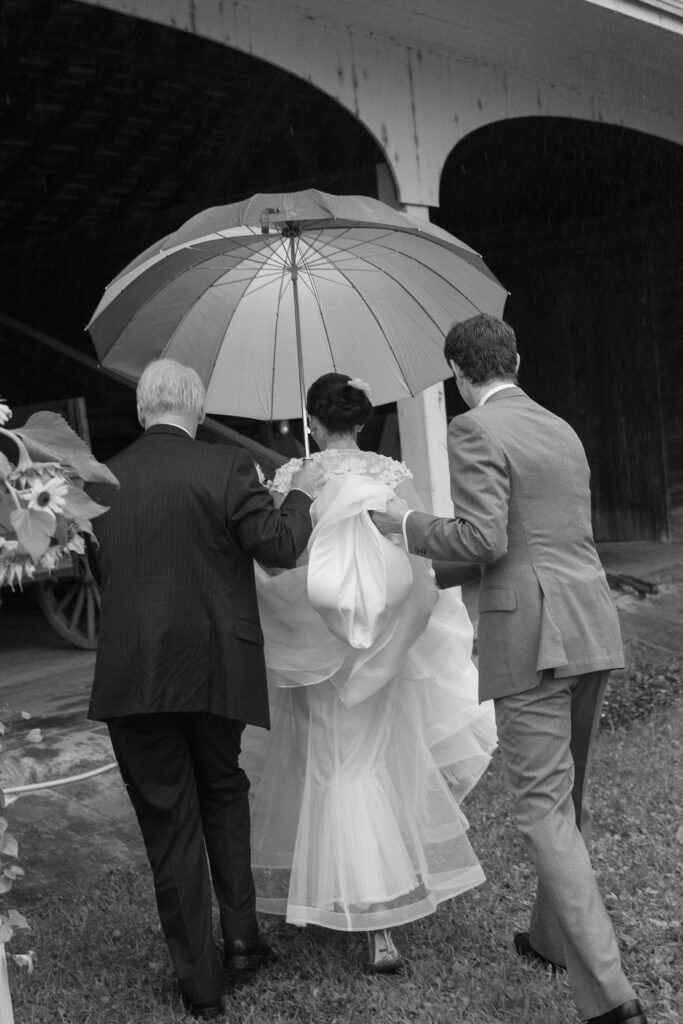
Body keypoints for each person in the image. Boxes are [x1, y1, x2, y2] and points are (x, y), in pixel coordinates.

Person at [372, 314, 647, 1024]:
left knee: (543, 813)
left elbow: (485, 537)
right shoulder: (559, 427)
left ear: (458, 377)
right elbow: (527, 536)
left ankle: (612, 1000)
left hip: (530, 642)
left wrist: (406, 526)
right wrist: (443, 564)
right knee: (567, 799)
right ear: (516, 360)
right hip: (588, 626)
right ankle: (552, 940)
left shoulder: (473, 430)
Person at [88, 358, 323, 1021]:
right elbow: (278, 547)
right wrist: (302, 492)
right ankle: (243, 941)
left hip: (135, 675)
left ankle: (202, 984)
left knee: (171, 822)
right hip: (217, 666)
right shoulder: (226, 469)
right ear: (194, 410)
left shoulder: (97, 483)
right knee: (223, 792)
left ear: (141, 411)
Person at [242, 372, 497, 973]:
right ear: (361, 421)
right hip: (379, 649)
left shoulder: (291, 479)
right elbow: (420, 554)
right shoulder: (391, 474)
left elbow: (280, 563)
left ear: (311, 422)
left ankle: (367, 915)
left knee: (329, 766)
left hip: (315, 650)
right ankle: (360, 908)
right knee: (365, 763)